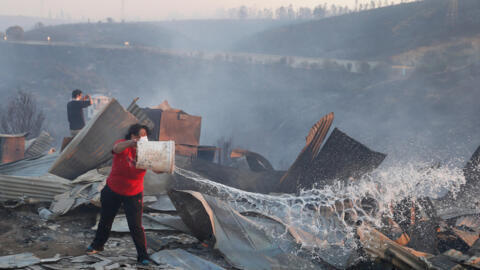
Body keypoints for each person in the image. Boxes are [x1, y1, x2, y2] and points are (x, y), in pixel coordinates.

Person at [87, 124, 153, 266]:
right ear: (131, 136)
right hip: (113, 189)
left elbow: (158, 168)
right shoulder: (123, 146)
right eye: (138, 136)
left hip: (134, 193)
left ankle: (143, 256)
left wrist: (165, 166)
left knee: (135, 226)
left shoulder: (148, 152)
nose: (141, 139)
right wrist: (132, 143)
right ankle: (97, 245)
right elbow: (116, 149)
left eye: (144, 137)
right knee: (106, 220)